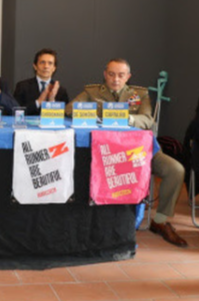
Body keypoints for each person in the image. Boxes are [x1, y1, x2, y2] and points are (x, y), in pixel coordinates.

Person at [66, 58, 187, 247]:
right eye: (111, 74)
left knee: (175, 170)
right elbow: (69, 109)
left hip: (138, 152)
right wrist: (98, 114)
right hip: (105, 154)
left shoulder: (139, 94)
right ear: (105, 74)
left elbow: (147, 120)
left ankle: (161, 221)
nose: (116, 79)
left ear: (128, 77)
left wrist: (125, 117)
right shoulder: (92, 92)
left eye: (121, 75)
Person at [14, 48, 69, 116]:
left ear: (54, 68)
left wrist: (52, 101)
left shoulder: (61, 90)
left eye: (50, 63)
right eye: (42, 62)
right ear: (35, 66)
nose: (46, 66)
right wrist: (38, 102)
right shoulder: (22, 86)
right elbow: (16, 111)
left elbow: (65, 116)